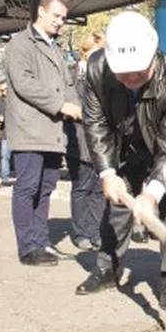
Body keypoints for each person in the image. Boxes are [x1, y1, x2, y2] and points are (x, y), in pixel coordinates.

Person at [76, 11, 166, 311]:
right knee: (116, 206)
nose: (132, 80)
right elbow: (95, 123)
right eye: (124, 74)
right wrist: (107, 171)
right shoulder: (96, 70)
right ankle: (108, 267)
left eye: (139, 73)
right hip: (125, 146)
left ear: (153, 58)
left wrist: (150, 193)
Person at [4, 0, 83, 267]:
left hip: (52, 131)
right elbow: (24, 83)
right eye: (56, 16)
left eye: (63, 18)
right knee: (28, 186)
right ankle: (27, 248)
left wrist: (76, 107)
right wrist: (61, 105)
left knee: (47, 186)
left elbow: (69, 85)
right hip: (29, 130)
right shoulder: (19, 43)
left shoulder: (55, 49)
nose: (60, 22)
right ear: (41, 11)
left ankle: (41, 241)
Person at [65, 31, 106, 252]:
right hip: (78, 139)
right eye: (93, 53)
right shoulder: (71, 75)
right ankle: (81, 232)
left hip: (101, 141)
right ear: (84, 52)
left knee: (99, 190)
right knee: (81, 188)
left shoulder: (105, 76)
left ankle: (97, 232)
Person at [0, 81, 11, 187]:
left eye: (5, 89)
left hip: (18, 132)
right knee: (5, 157)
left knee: (20, 156)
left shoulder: (17, 99)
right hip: (5, 132)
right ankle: (5, 179)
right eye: (1, 90)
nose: (4, 92)